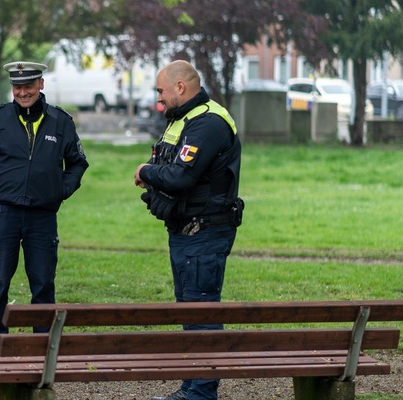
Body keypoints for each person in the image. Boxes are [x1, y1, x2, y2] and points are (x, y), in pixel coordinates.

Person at [133, 60, 243, 400]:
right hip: (185, 231)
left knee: (201, 311)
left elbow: (181, 176)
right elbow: (171, 166)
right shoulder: (183, 121)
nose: (159, 98)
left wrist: (145, 171)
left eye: (161, 91)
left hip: (204, 232)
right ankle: (192, 386)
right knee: (189, 310)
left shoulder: (208, 123)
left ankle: (201, 393)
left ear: (180, 87)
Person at [0, 61, 89, 353]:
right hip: (3, 213)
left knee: (43, 281)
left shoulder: (60, 121)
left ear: (41, 85)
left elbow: (78, 163)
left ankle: (42, 340)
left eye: (29, 86)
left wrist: (61, 190)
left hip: (43, 216)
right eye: (17, 87)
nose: (23, 92)